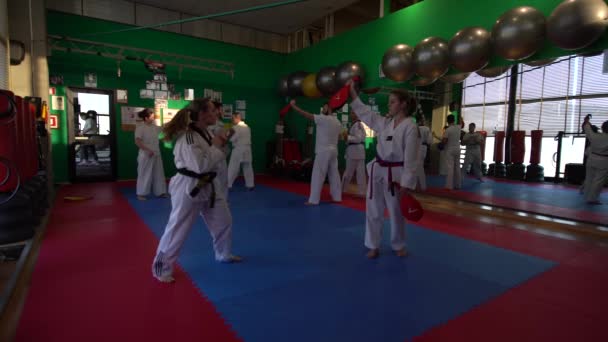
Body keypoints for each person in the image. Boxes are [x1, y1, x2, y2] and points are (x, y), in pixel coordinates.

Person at [152, 98, 241, 284]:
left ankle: (223, 254)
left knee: (224, 220)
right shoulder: (189, 137)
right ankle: (162, 267)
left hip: (209, 184)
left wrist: (222, 143)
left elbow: (217, 158)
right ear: (201, 114)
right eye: (212, 110)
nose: (216, 113)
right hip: (189, 186)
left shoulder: (206, 133)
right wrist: (217, 145)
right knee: (178, 227)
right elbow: (200, 165)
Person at [347, 80, 419, 259]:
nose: (389, 104)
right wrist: (352, 93)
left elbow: (411, 159)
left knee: (396, 211)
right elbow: (366, 114)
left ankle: (399, 244)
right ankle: (373, 245)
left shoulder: (410, 126)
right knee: (373, 209)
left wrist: (406, 183)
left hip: (396, 173)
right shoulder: (385, 122)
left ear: (403, 104)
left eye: (393, 101)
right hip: (378, 169)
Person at [289, 100, 342, 205]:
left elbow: (304, 114)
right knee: (334, 175)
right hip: (334, 151)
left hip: (323, 151)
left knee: (318, 175)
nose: (323, 109)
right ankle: (337, 197)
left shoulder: (323, 119)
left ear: (330, 108)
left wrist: (293, 106)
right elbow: (339, 137)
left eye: (325, 107)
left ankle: (313, 200)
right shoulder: (337, 122)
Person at [135, 108, 168, 200]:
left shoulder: (154, 127)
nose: (153, 117)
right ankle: (141, 194)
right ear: (146, 118)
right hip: (145, 154)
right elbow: (137, 141)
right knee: (144, 173)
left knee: (159, 173)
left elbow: (164, 127)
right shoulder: (140, 128)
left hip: (156, 153)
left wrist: (174, 121)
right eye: (152, 116)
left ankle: (160, 192)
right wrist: (147, 150)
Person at [581, 115, 608, 205]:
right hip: (604, 161)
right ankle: (592, 198)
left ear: (602, 128)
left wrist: (587, 120)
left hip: (591, 159)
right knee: (598, 180)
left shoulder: (594, 136)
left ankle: (587, 196)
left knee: (589, 178)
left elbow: (587, 128)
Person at [227, 112, 255, 190]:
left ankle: (228, 184)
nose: (232, 120)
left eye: (232, 118)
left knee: (233, 167)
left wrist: (228, 133)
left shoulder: (236, 128)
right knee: (248, 167)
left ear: (237, 118)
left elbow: (232, 139)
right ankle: (250, 185)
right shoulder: (247, 127)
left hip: (238, 148)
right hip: (248, 149)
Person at [342, 110, 367, 196]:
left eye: (353, 113)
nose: (351, 114)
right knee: (360, 174)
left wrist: (347, 137)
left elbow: (358, 139)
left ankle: (344, 189)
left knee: (350, 173)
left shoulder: (357, 124)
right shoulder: (356, 124)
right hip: (358, 151)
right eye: (351, 113)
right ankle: (361, 192)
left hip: (354, 150)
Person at [210, 101, 229, 200]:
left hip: (221, 154)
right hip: (211, 155)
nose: (221, 111)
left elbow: (225, 140)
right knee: (212, 180)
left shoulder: (223, 124)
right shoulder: (207, 124)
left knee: (223, 180)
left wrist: (226, 137)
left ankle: (223, 200)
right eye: (220, 109)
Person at [442, 114, 462, 190]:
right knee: (457, 167)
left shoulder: (448, 130)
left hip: (450, 149)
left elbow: (444, 141)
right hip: (457, 148)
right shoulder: (458, 127)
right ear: (454, 120)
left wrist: (441, 143)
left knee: (450, 168)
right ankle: (458, 185)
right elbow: (461, 122)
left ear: (447, 121)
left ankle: (449, 186)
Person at [580, 124, 599, 194]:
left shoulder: (593, 137)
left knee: (590, 176)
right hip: (594, 158)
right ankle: (587, 190)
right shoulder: (594, 137)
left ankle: (584, 188)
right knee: (592, 176)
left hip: (592, 158)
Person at [416, 114, 432, 191]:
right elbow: (429, 141)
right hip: (423, 147)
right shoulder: (427, 129)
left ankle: (422, 186)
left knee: (417, 167)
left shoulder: (414, 127)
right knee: (419, 166)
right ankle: (420, 185)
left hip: (416, 148)